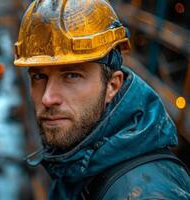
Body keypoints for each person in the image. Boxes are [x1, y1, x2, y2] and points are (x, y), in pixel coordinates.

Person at [13, 0, 190, 199]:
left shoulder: (145, 193)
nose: (47, 98)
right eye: (39, 76)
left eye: (71, 75)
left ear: (112, 86)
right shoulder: (74, 161)